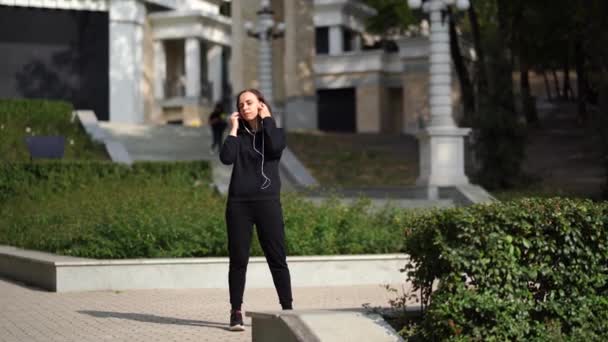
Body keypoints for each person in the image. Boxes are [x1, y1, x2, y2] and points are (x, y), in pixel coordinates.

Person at [219, 89, 293, 331]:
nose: (245, 107)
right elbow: (226, 158)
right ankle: (236, 311)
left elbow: (275, 148)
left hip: (267, 203)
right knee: (238, 260)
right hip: (239, 205)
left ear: (260, 104)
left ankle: (288, 310)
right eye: (241, 105)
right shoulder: (238, 138)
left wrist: (269, 118)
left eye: (249, 103)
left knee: (277, 258)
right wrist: (232, 128)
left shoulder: (273, 133)